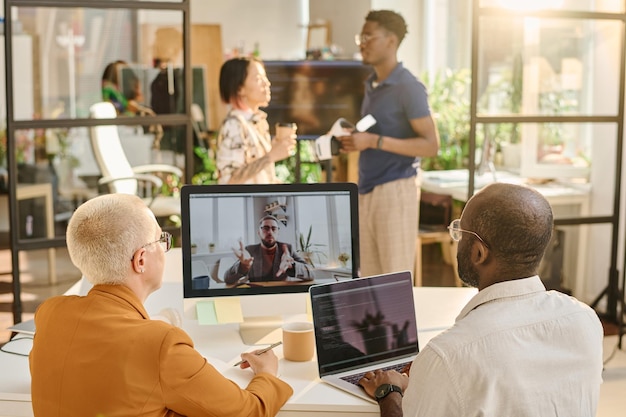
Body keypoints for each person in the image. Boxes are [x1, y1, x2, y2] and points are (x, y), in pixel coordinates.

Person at [29, 194, 293, 416]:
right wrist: (268, 374)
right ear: (140, 260)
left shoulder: (50, 314)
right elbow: (248, 411)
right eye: (161, 240)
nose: (165, 249)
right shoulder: (161, 344)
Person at [358, 183, 604, 417]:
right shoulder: (585, 320)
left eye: (460, 231)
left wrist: (389, 392)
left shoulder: (448, 355)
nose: (457, 239)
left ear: (478, 253)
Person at [338, 10, 439, 277]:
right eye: (361, 36)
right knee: (369, 279)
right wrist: (357, 140)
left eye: (369, 36)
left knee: (394, 280)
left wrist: (373, 141)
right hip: (367, 190)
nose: (362, 43)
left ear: (391, 41)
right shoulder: (372, 84)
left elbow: (431, 146)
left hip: (395, 190)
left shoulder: (409, 87)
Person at [216, 56, 295, 184]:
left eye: (265, 77)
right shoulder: (234, 125)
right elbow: (230, 181)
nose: (267, 83)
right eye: (258, 79)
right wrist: (271, 155)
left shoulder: (256, 122)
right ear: (239, 89)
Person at [224, 215, 314, 285]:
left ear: (278, 232)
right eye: (265, 228)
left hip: (281, 295)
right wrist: (243, 267)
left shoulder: (287, 249)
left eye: (273, 229)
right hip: (257, 296)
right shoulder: (250, 250)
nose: (270, 232)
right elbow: (227, 278)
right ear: (259, 233)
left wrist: (292, 266)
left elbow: (311, 273)